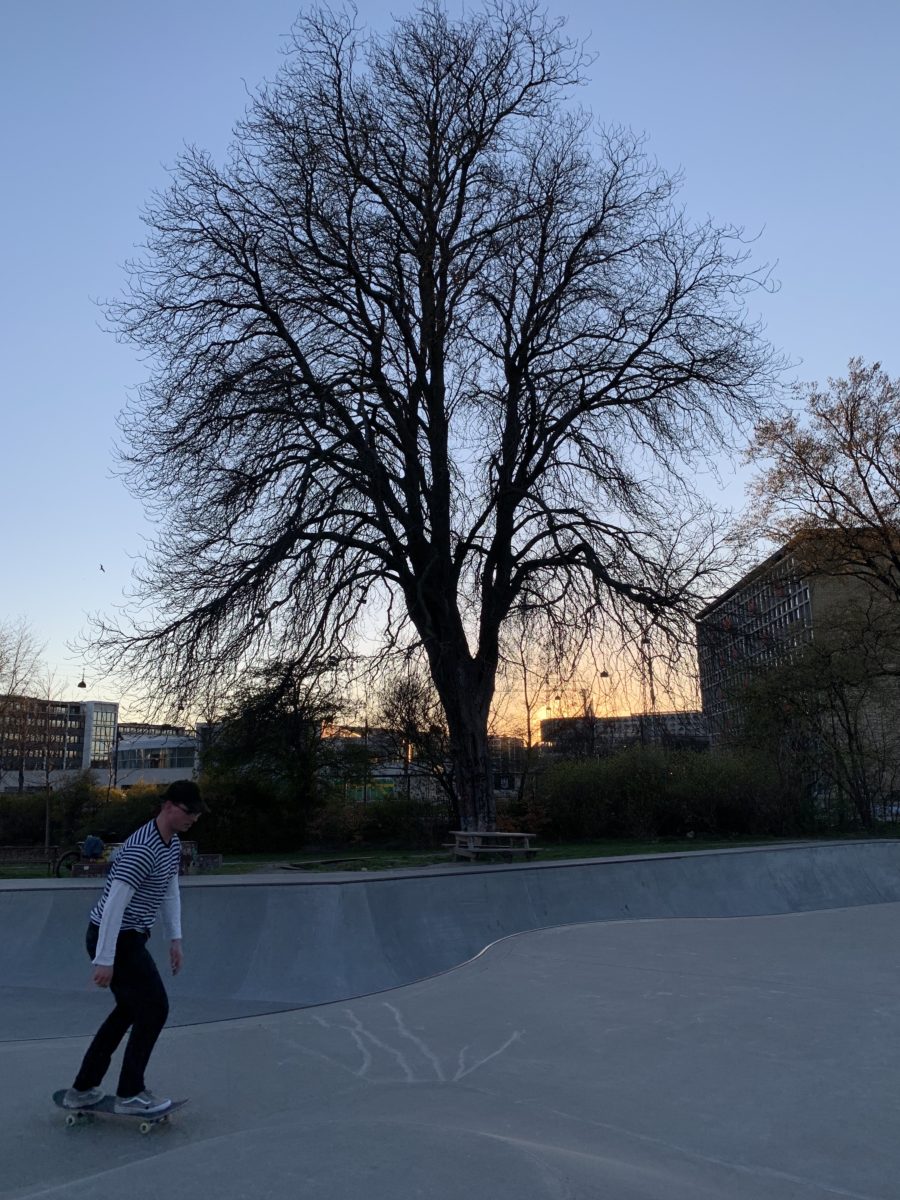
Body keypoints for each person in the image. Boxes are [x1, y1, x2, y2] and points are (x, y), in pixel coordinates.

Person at [63, 779, 208, 1114]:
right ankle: (130, 1093)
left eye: (197, 814)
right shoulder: (142, 848)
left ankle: (82, 1089)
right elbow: (114, 904)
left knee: (128, 1010)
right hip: (115, 936)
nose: (193, 819)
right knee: (154, 1008)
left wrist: (175, 939)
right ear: (168, 806)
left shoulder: (171, 844)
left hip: (131, 936)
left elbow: (170, 891)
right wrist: (105, 959)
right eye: (189, 812)